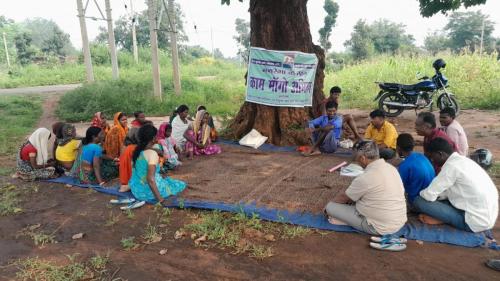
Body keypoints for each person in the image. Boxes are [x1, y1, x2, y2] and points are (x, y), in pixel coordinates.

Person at [413, 138, 498, 232]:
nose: (432, 161)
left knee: (419, 201)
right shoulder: (463, 161)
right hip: (487, 217)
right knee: (440, 199)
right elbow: (450, 191)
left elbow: (428, 196)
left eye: (432, 157)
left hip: (473, 223)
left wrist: (423, 193)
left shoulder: (451, 167)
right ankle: (445, 216)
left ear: (440, 154)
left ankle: (443, 219)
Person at [325, 140, 407, 235]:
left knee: (330, 207)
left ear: (363, 158)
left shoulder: (365, 177)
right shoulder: (392, 168)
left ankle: (351, 222)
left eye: (357, 159)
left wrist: (328, 207)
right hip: (399, 221)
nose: (357, 162)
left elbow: (343, 198)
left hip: (379, 227)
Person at [129, 124, 187, 203]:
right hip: (148, 193)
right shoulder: (152, 154)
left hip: (137, 190)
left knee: (166, 180)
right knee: (179, 184)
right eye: (156, 136)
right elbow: (150, 180)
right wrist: (160, 199)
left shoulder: (137, 152)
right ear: (153, 138)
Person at [396, 133, 435, 206]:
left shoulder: (404, 166)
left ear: (398, 148)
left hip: (416, 200)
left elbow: (399, 186)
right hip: (431, 195)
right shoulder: (422, 156)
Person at [119, 127, 139, 192]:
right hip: (130, 178)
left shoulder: (125, 146)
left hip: (123, 178)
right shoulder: (135, 148)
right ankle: (131, 185)